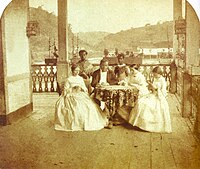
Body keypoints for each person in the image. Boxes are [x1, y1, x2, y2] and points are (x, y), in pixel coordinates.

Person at [54, 64, 108, 131]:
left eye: (78, 70)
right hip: (71, 95)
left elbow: (85, 88)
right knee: (76, 107)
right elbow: (65, 91)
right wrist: (73, 88)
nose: (77, 72)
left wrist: (81, 88)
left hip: (80, 94)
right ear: (72, 71)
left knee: (89, 106)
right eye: (75, 70)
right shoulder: (69, 79)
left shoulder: (80, 79)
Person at [128, 66, 172, 133]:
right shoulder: (155, 78)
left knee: (149, 106)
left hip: (159, 97)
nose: (154, 75)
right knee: (140, 102)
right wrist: (150, 87)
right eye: (154, 74)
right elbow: (152, 89)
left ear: (159, 73)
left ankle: (150, 126)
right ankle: (140, 124)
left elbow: (163, 92)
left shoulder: (162, 80)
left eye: (155, 74)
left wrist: (156, 89)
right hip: (153, 94)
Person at [91, 58, 118, 128]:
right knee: (94, 100)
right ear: (100, 65)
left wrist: (108, 83)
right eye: (102, 65)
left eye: (106, 65)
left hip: (108, 90)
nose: (104, 67)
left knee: (111, 100)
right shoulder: (96, 73)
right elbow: (92, 83)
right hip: (98, 90)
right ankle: (98, 117)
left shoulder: (111, 72)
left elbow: (115, 81)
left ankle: (110, 119)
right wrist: (97, 84)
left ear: (108, 66)